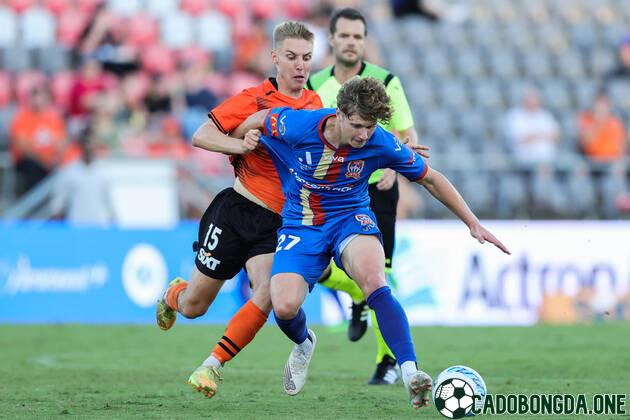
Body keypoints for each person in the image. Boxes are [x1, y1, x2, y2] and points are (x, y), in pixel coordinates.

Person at [237, 77, 510, 409]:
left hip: (351, 217)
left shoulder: (380, 142)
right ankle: (304, 342)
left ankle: (411, 372)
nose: (363, 134)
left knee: (375, 281)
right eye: (356, 125)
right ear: (338, 114)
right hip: (302, 223)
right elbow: (255, 121)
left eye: (369, 126)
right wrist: (243, 139)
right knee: (283, 307)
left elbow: (432, 179)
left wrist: (472, 222)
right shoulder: (298, 123)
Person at [155, 21, 322, 398]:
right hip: (236, 210)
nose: (300, 66)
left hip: (278, 223)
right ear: (275, 57)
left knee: (265, 290)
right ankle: (172, 295)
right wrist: (240, 146)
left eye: (307, 58)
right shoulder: (253, 99)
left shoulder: (317, 106)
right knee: (194, 306)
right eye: (292, 57)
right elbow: (201, 135)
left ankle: (212, 365)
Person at [306, 7, 418, 385]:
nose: (352, 43)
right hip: (329, 192)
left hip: (377, 190)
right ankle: (356, 294)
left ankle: (388, 362)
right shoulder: (316, 84)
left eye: (358, 36)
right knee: (316, 268)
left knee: (383, 274)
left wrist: (391, 167)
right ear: (332, 40)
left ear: (364, 41)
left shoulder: (386, 80)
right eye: (345, 36)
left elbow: (407, 134)